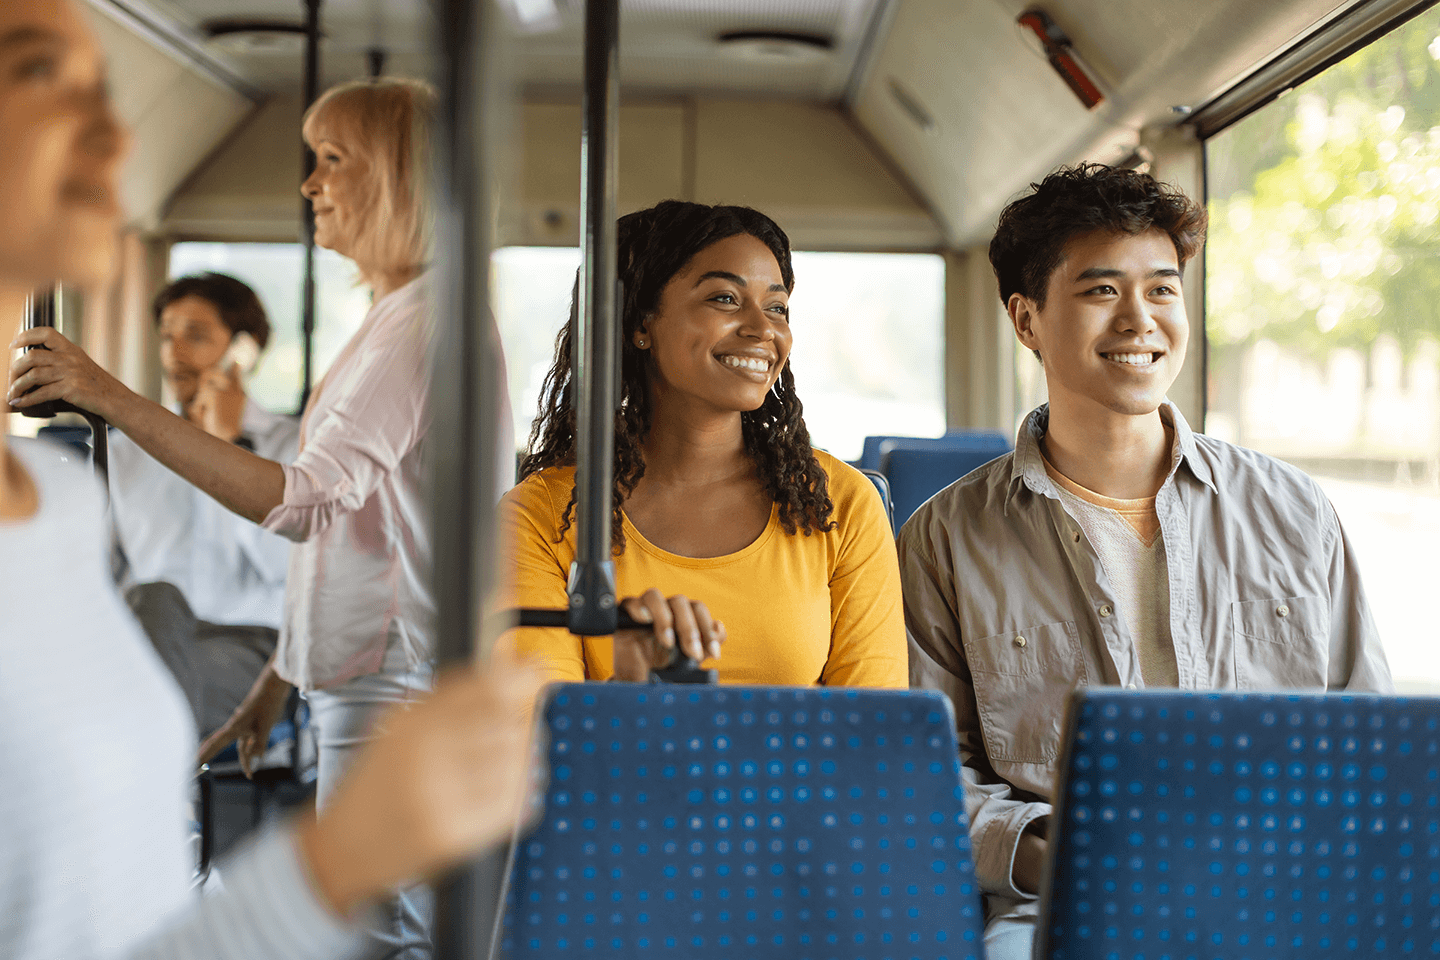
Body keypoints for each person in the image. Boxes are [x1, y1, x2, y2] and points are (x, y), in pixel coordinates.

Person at [0, 1, 543, 956]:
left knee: (390, 933)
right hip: (365, 669)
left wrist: (107, 395)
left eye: (335, 159)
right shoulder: (399, 320)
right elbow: (352, 528)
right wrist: (278, 679)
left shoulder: (422, 324)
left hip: (392, 674)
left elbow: (301, 503)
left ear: (403, 176)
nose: (310, 183)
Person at [897, 163, 1394, 960]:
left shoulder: (1295, 513)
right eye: (1101, 292)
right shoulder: (946, 538)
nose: (1139, 320)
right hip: (1063, 905)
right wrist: (1048, 854)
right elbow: (926, 772)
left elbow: (1367, 732)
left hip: (1280, 890)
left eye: (1162, 290)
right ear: (1027, 320)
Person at [504, 200, 906, 687]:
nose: (763, 329)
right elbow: (541, 735)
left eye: (777, 307)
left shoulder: (840, 503)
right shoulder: (542, 515)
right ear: (640, 322)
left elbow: (873, 738)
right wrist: (634, 684)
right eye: (725, 299)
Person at [113, 272, 299, 737]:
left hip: (253, 647)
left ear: (244, 349)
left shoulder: (293, 447)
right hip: (141, 637)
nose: (174, 355)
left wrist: (228, 445)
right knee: (152, 602)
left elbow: (289, 569)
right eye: (167, 338)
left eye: (195, 337)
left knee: (142, 690)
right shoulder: (124, 450)